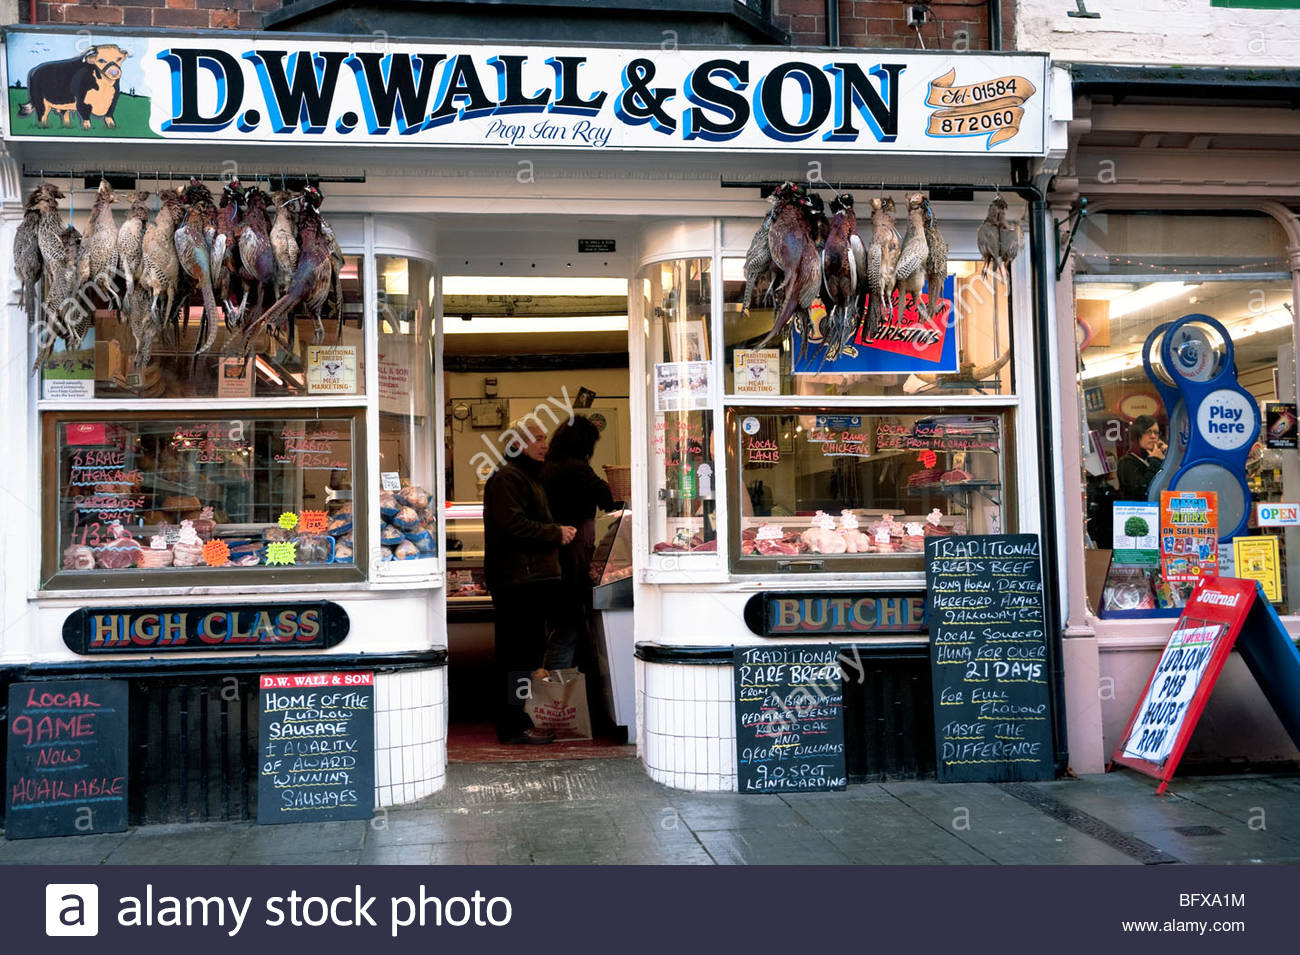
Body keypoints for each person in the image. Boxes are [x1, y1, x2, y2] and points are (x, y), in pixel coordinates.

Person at [483, 420, 576, 744]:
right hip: (517, 582)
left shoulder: (527, 477)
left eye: (544, 438)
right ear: (518, 443)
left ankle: (518, 719)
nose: (544, 444)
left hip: (531, 580)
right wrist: (556, 532)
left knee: (526, 654)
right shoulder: (508, 478)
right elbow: (513, 525)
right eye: (537, 438)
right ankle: (512, 725)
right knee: (516, 656)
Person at [541, 416, 615, 672]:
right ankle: (559, 696)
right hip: (572, 555)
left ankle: (563, 695)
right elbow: (609, 499)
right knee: (568, 627)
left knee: (561, 628)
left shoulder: (548, 465)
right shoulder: (576, 468)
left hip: (551, 559)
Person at [1117, 414, 1166, 500]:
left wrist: (1168, 457)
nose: (1153, 436)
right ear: (1137, 435)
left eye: (1156, 432)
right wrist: (1155, 460)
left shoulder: (1156, 458)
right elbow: (1140, 490)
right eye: (1148, 432)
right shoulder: (1127, 462)